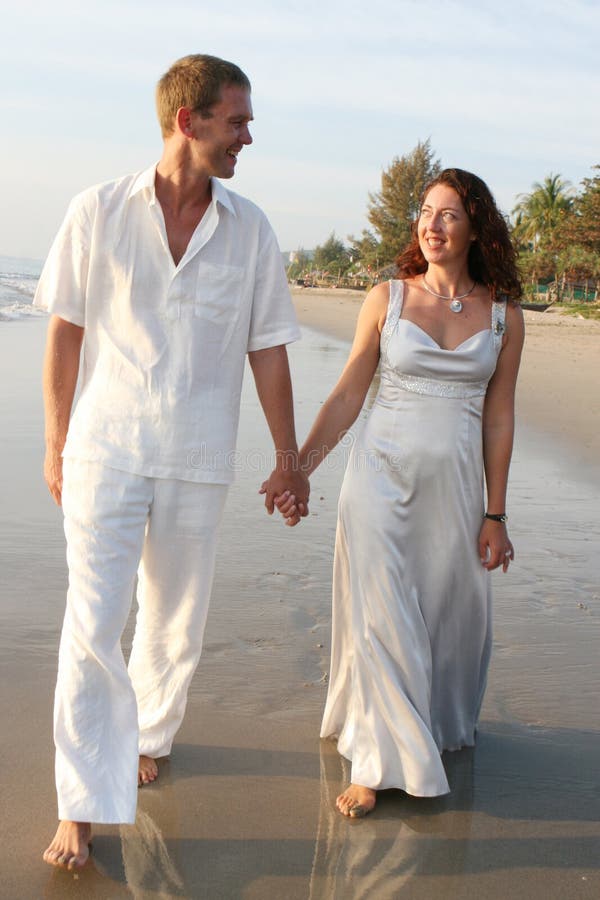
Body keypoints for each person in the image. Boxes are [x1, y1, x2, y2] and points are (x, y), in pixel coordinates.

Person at [35, 53, 309, 869]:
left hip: (197, 455)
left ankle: (148, 734)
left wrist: (288, 458)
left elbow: (268, 350)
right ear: (188, 122)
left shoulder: (250, 228)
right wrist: (56, 443)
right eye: (237, 121)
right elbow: (64, 330)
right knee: (93, 622)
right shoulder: (98, 211)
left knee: (173, 624)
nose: (248, 137)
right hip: (106, 450)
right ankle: (80, 808)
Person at [269, 168, 524, 817]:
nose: (432, 224)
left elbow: (499, 417)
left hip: (458, 491)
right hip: (379, 479)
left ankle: (424, 725)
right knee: (383, 614)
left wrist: (495, 512)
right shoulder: (388, 298)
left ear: (475, 228)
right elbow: (351, 391)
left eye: (449, 215)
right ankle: (379, 761)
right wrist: (299, 467)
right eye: (426, 212)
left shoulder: (503, 316)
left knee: (440, 613)